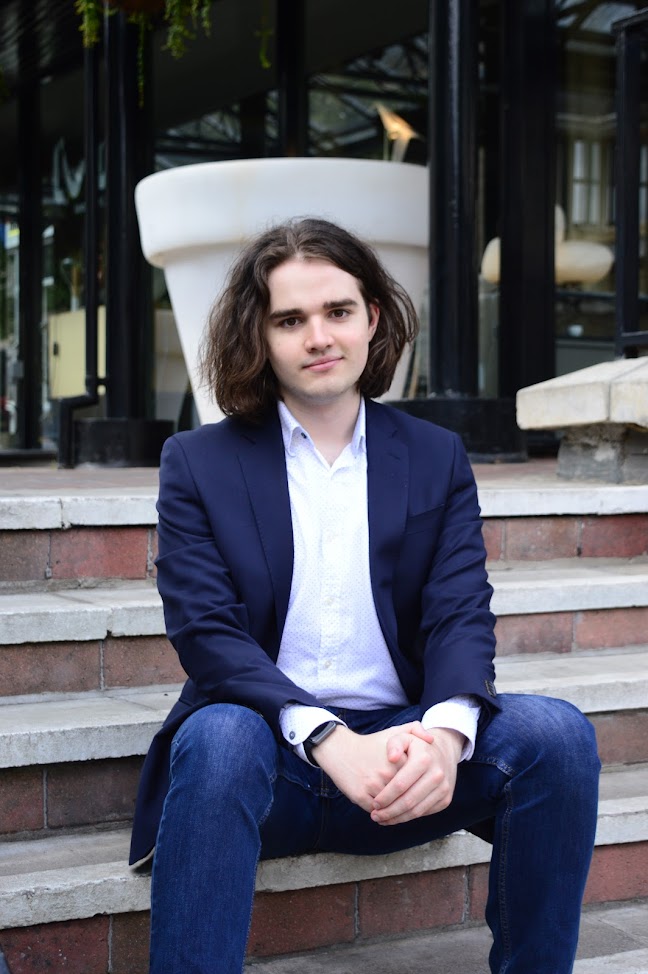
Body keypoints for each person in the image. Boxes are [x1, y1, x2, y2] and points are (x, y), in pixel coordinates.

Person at [130, 217, 600, 974]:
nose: (319, 336)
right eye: (291, 319)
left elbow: (458, 610)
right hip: (268, 763)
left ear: (372, 318)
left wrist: (444, 737)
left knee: (559, 735)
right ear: (262, 334)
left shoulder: (433, 454)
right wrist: (324, 738)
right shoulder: (198, 462)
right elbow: (205, 632)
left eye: (338, 312)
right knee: (217, 736)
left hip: (397, 760)